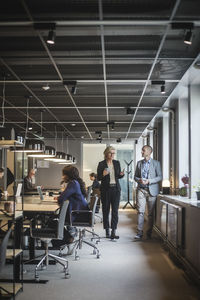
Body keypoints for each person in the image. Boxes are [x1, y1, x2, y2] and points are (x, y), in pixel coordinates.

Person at [51, 165, 89, 249]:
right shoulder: (75, 182)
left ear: (68, 175)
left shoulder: (73, 183)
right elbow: (64, 197)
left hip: (78, 214)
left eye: (63, 174)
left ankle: (67, 239)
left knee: (51, 219)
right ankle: (65, 239)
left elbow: (61, 199)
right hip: (79, 212)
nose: (62, 176)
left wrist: (60, 198)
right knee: (52, 218)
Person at [134, 145, 162, 240]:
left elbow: (159, 177)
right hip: (141, 190)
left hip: (152, 191)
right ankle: (139, 232)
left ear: (149, 152)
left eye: (143, 150)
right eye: (142, 150)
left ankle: (149, 232)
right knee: (140, 212)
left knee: (150, 214)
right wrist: (140, 180)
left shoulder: (156, 163)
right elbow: (135, 177)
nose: (141, 152)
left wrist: (149, 181)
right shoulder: (139, 163)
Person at [97, 146, 124, 239]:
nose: (112, 155)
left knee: (115, 211)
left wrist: (121, 175)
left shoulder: (117, 163)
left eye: (113, 153)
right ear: (106, 154)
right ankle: (107, 230)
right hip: (105, 190)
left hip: (116, 189)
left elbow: (118, 176)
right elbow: (98, 178)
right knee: (106, 210)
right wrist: (103, 174)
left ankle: (113, 231)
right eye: (110, 153)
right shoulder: (101, 164)